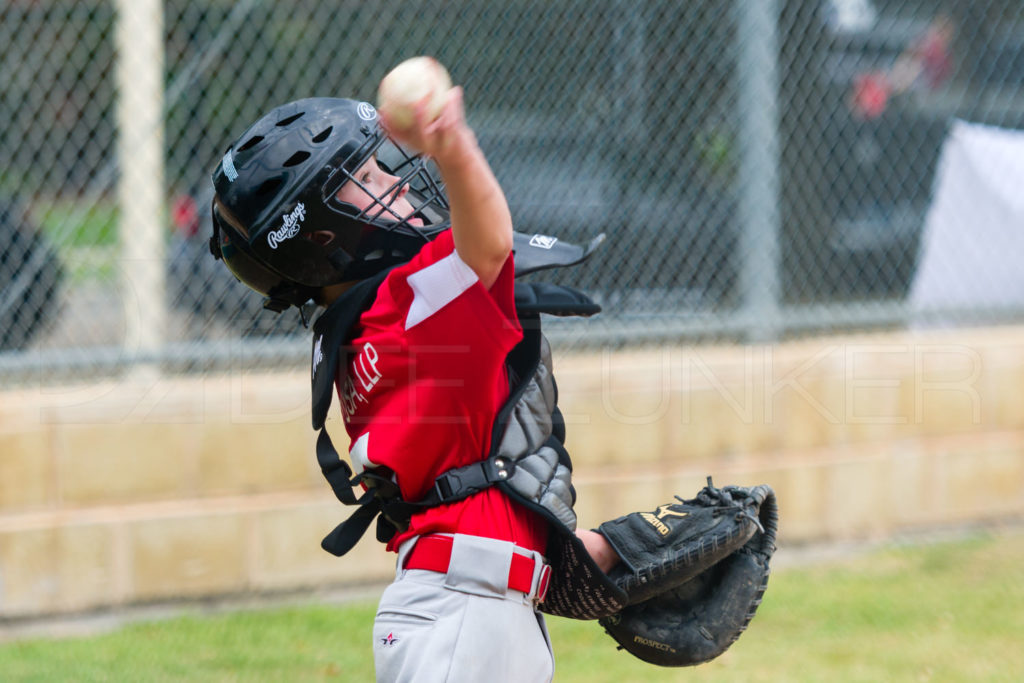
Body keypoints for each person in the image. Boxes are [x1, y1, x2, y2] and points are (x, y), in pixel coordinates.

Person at [210, 72, 774, 682]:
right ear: (325, 237)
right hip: (466, 622)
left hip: (466, 612)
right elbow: (489, 247)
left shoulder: (362, 332)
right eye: (366, 182)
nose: (393, 183)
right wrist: (451, 143)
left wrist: (609, 556)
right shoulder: (405, 304)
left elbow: (473, 503)